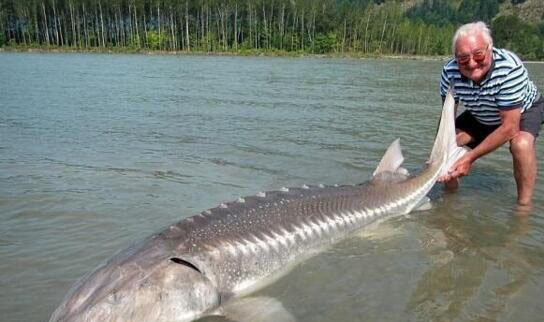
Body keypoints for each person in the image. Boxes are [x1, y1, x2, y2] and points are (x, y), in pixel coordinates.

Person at [438, 21, 543, 206]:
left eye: (478, 55)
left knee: (521, 144)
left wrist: (469, 158)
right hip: (481, 111)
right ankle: (449, 201)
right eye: (463, 58)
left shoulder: (509, 69)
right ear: (455, 57)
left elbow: (509, 128)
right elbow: (447, 122)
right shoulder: (449, 72)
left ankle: (524, 207)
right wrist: (441, 152)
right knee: (448, 144)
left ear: (490, 48)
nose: (471, 63)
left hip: (522, 110)